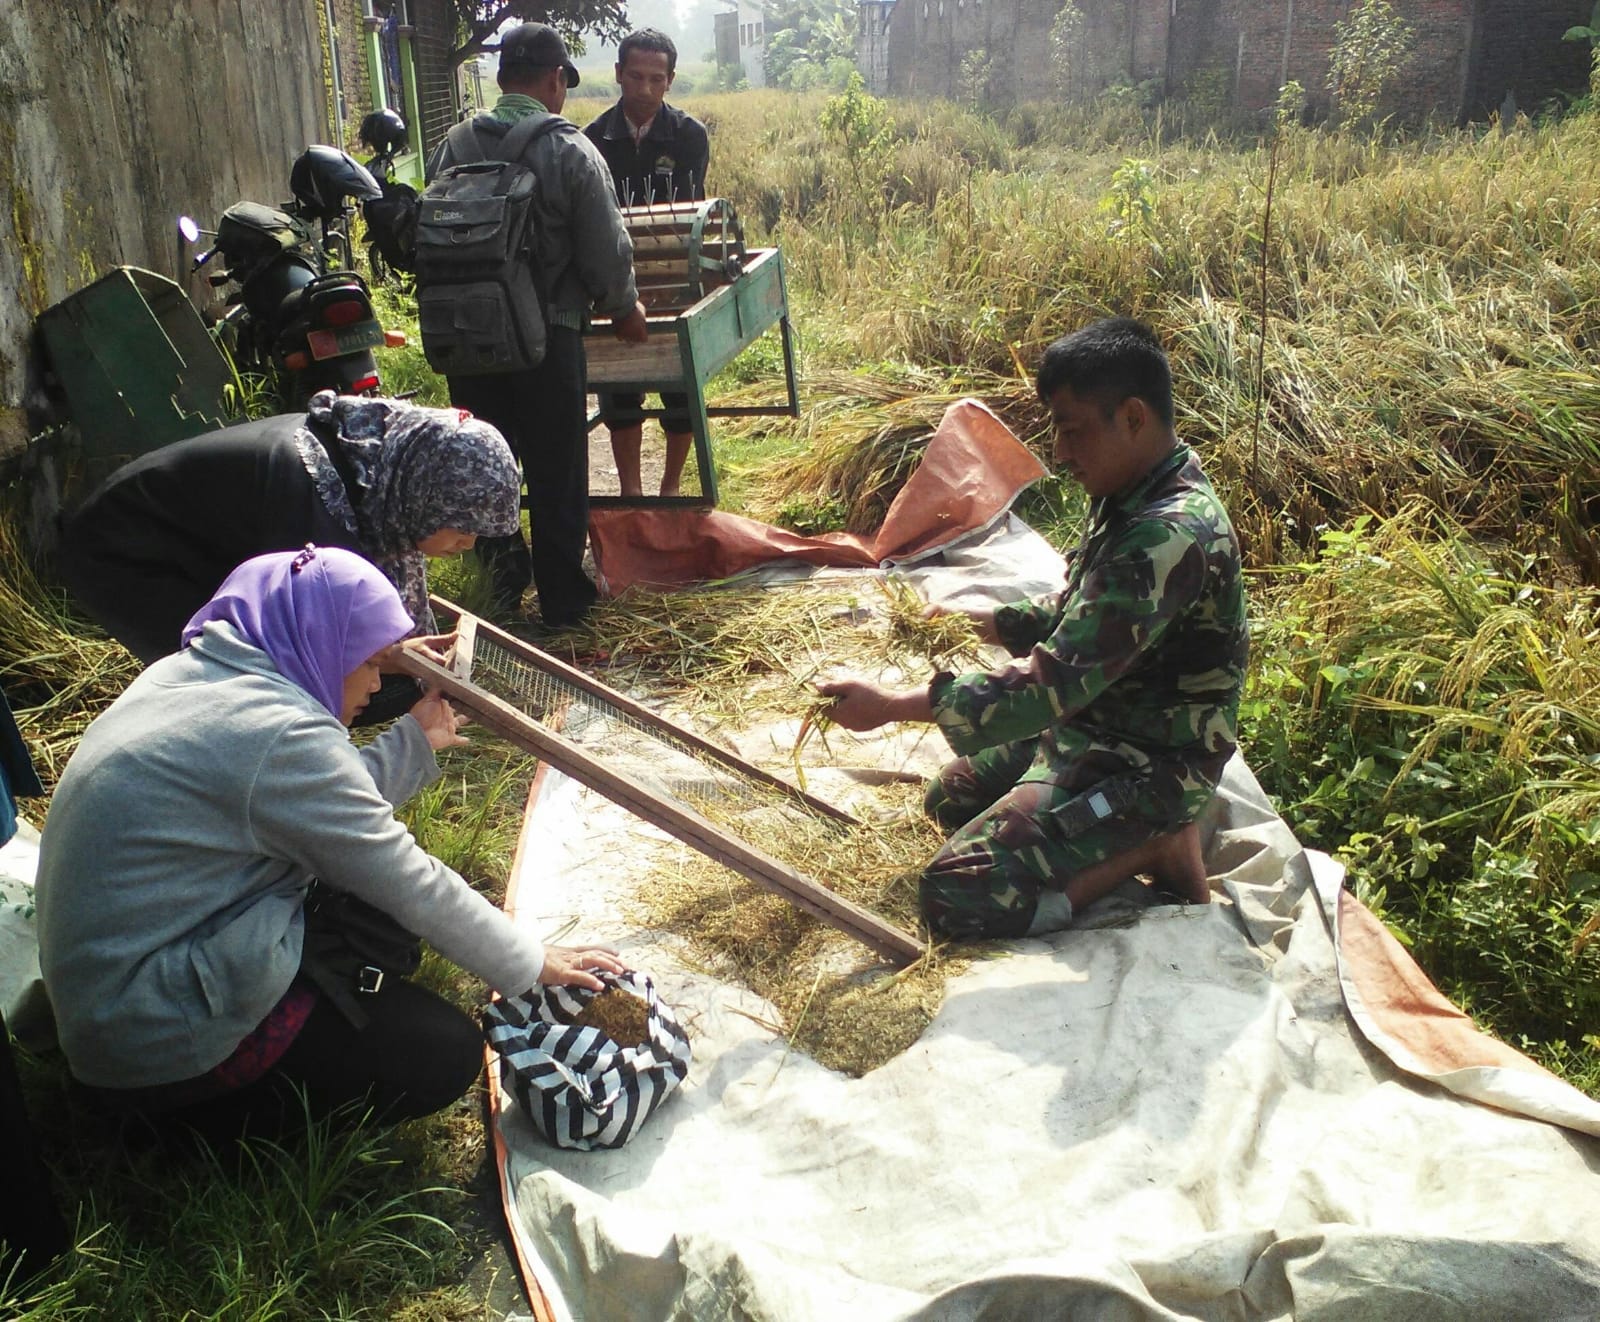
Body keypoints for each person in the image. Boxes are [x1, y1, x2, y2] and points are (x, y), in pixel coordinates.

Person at [34, 546, 624, 1144]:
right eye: (367, 662)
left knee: (371, 922)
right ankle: (179, 1129)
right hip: (150, 1037)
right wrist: (531, 962)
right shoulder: (278, 734)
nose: (375, 682)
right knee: (442, 1054)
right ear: (321, 643)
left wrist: (412, 744)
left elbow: (308, 811)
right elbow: (403, 876)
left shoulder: (203, 672)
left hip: (115, 992)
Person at [818, 318, 1248, 940]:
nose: (1061, 454)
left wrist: (893, 705)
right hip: (1095, 725)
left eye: (1072, 432)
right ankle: (1094, 824)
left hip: (1149, 763)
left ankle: (1157, 846)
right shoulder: (1131, 495)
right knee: (950, 796)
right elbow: (1085, 612)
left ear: (1132, 418)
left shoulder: (1168, 532)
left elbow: (1048, 687)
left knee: (956, 895)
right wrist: (988, 620)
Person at [427, 22, 648, 627]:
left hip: (469, 339)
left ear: (501, 80)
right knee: (557, 466)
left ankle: (499, 586)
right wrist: (626, 309)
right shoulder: (569, 148)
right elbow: (605, 247)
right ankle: (562, 600)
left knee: (485, 461)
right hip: (548, 337)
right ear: (555, 81)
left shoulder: (453, 145)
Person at [54, 390, 521, 663]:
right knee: (227, 673)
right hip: (127, 552)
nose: (467, 543)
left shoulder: (377, 464)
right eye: (461, 525)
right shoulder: (314, 512)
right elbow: (302, 655)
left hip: (208, 540)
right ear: (425, 493)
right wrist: (387, 660)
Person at [583, 27, 710, 499]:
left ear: (671, 80)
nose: (645, 89)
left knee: (681, 389)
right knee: (620, 388)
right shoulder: (594, 138)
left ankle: (671, 487)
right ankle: (632, 494)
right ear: (618, 74)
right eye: (635, 76)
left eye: (657, 78)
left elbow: (691, 207)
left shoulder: (688, 136)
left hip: (676, 277)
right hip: (616, 280)